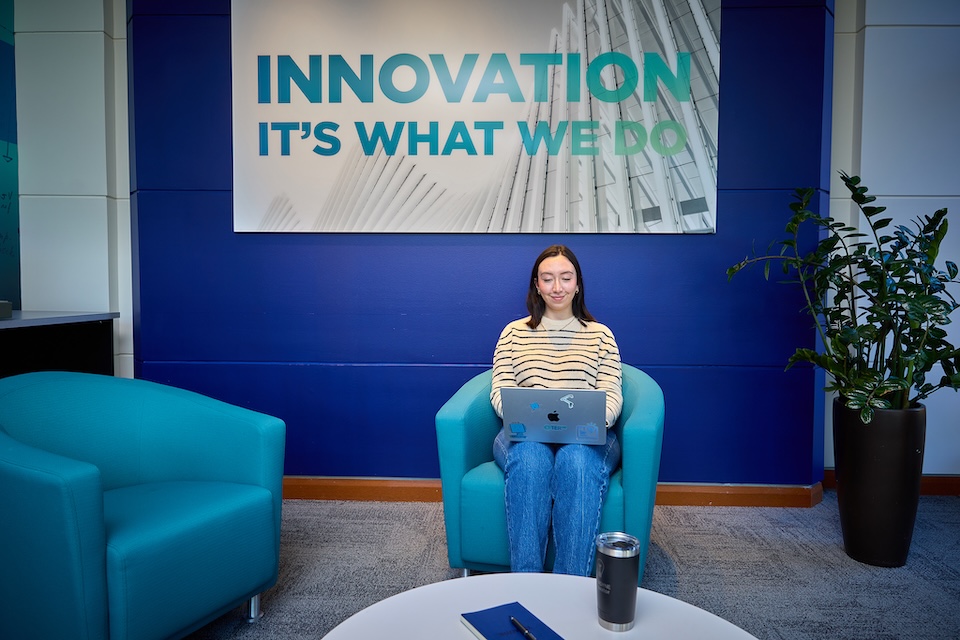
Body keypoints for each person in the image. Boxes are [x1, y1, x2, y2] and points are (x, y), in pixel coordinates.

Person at [490, 244, 623, 576]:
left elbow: (611, 393)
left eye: (566, 278)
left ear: (578, 284)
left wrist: (596, 421)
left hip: (587, 437)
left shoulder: (600, 335)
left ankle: (570, 585)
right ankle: (526, 583)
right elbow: (500, 389)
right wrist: (518, 415)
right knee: (530, 460)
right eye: (547, 279)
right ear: (537, 285)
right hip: (524, 435)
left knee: (576, 461)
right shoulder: (513, 333)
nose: (557, 287)